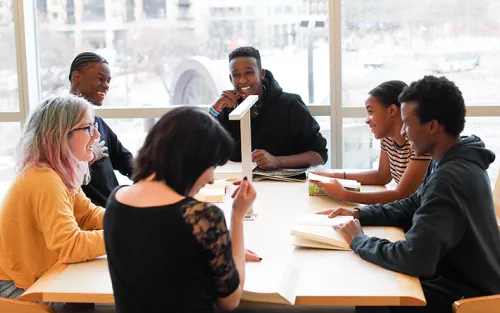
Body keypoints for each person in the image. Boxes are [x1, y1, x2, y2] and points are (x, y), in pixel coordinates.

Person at [319, 76, 500, 313]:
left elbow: (415, 258)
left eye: (407, 123)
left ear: (433, 126)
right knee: (373, 282)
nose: (403, 132)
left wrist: (359, 240)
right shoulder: (450, 160)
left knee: (372, 293)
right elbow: (411, 204)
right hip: (459, 275)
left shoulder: (449, 178)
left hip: (470, 295)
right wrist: (359, 213)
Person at [104, 107, 259, 313]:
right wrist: (237, 216)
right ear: (193, 160)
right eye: (212, 166)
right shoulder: (202, 217)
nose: (212, 178)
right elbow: (230, 300)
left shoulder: (116, 200)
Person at [0, 95, 106, 309]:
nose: (96, 135)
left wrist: (131, 220)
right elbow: (71, 246)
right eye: (87, 128)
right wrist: (124, 233)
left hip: (34, 276)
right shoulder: (44, 179)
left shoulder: (56, 173)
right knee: (83, 300)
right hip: (13, 287)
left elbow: (88, 215)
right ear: (61, 135)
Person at [312, 80, 431, 204]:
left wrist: (343, 194)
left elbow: (401, 194)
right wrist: (335, 175)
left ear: (392, 110)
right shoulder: (388, 139)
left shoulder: (418, 143)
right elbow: (382, 176)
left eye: (370, 112)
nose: (367, 120)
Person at [209, 46, 328, 170]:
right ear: (230, 79)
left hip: (284, 185)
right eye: (236, 75)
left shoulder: (290, 104)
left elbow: (320, 155)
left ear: (261, 74)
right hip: (238, 182)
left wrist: (277, 161)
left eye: (249, 73)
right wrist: (214, 110)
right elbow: (204, 150)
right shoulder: (227, 108)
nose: (242, 80)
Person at [69, 52, 133, 207]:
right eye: (100, 78)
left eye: (108, 81)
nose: (106, 85)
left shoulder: (97, 123)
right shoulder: (58, 125)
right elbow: (58, 175)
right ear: (77, 78)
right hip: (87, 218)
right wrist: (88, 160)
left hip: (113, 210)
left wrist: (154, 178)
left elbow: (125, 160)